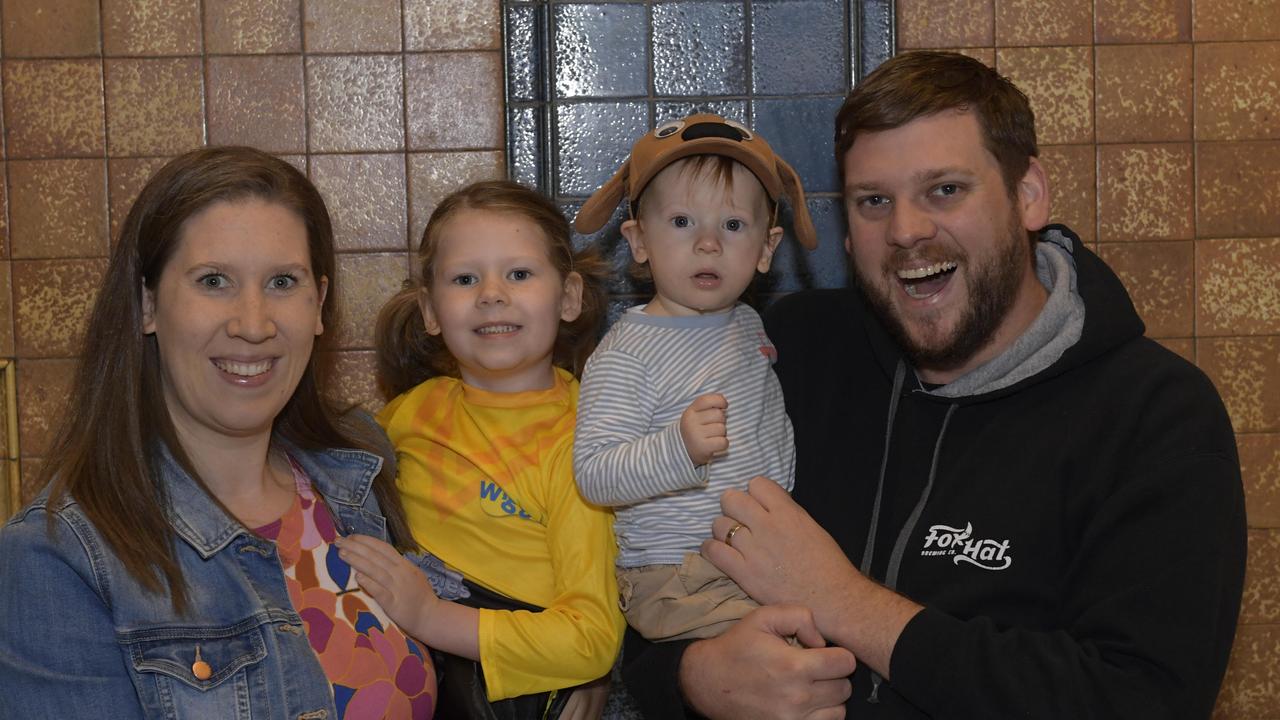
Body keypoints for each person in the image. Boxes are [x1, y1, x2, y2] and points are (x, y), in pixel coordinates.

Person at [623, 51, 1247, 719]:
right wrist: (695, 677)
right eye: (873, 201)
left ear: (1028, 193)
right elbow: (649, 577)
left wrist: (845, 602)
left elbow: (1139, 699)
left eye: (945, 190)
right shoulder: (789, 350)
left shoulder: (1156, 417)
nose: (906, 230)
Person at [0, 146, 437, 719]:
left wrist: (551, 670)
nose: (253, 325)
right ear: (148, 304)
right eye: (214, 281)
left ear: (320, 304)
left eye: (283, 281)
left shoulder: (356, 465)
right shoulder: (54, 561)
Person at [336, 180, 624, 719]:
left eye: (519, 273)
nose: (491, 293)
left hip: (506, 683)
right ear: (430, 311)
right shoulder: (408, 413)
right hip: (406, 661)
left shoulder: (586, 439)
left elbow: (592, 640)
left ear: (567, 297)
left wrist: (429, 616)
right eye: (466, 278)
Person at [570, 113, 817, 642]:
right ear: (639, 242)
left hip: (759, 559)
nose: (708, 244)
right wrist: (678, 448)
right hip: (677, 574)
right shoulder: (628, 353)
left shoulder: (749, 324)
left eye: (732, 225)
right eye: (682, 222)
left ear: (766, 249)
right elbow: (594, 475)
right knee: (781, 668)